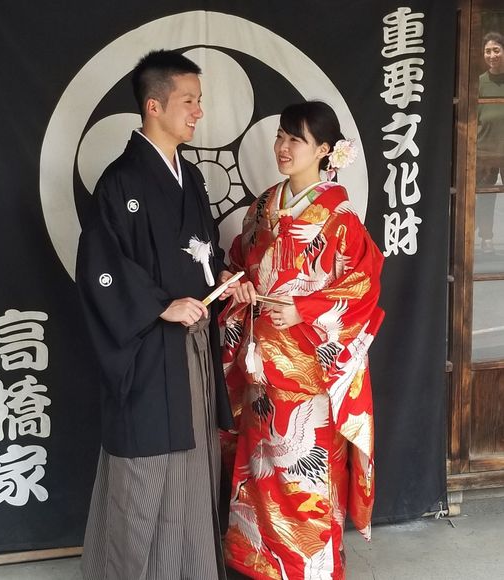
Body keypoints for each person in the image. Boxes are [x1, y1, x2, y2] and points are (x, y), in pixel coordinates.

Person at [75, 49, 237, 580]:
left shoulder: (191, 177)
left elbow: (202, 251)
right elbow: (100, 266)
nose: (198, 112)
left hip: (192, 344)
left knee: (195, 460)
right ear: (154, 105)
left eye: (198, 101)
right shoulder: (120, 181)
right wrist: (158, 305)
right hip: (147, 349)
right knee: (146, 464)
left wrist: (223, 277)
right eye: (189, 101)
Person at [220, 101, 384, 579]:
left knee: (305, 473)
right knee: (260, 468)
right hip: (261, 363)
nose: (283, 147)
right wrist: (237, 284)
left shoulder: (340, 216)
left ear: (324, 150)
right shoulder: (262, 206)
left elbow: (363, 285)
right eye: (281, 136)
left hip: (312, 370)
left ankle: (308, 569)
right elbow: (238, 262)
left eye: (296, 139)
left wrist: (305, 309)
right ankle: (258, 566)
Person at [476, 31, 504, 254]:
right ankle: (486, 238)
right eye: (488, 51)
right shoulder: (479, 82)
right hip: (485, 149)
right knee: (486, 197)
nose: (492, 55)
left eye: (496, 50)